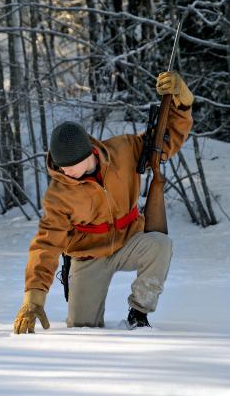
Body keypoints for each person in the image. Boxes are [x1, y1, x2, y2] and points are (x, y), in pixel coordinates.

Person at [13, 71, 194, 333]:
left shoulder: (124, 150)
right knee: (81, 328)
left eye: (72, 166)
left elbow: (166, 140)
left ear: (90, 153)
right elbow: (46, 244)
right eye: (62, 168)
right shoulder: (59, 193)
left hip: (129, 241)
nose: (67, 173)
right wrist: (33, 298)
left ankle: (139, 313)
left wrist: (183, 104)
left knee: (160, 245)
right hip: (88, 256)